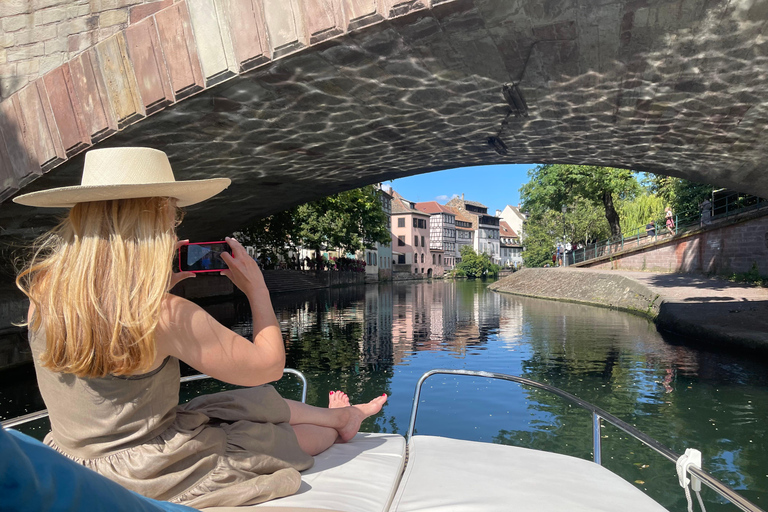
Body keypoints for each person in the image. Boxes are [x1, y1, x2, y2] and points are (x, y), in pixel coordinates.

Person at [13, 147, 387, 509]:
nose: (176, 228)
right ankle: (342, 422)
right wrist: (256, 288)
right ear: (153, 220)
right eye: (172, 216)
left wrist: (156, 286)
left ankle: (342, 414)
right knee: (276, 438)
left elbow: (108, 326)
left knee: (236, 404)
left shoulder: (42, 292)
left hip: (72, 461)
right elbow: (269, 365)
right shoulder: (165, 314)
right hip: (148, 472)